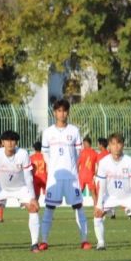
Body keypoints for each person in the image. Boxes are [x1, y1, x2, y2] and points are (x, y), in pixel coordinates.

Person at [40, 99, 90, 251]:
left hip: (71, 177)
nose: (62, 114)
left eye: (65, 110)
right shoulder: (48, 132)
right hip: (55, 177)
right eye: (59, 111)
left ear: (68, 112)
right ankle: (44, 241)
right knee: (49, 208)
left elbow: (79, 152)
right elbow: (45, 152)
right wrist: (53, 167)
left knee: (78, 206)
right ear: (55, 113)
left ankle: (84, 240)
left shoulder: (74, 131)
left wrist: (71, 165)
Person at [0, 130, 41, 253]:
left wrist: (33, 197)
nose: (10, 143)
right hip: (2, 188)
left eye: (13, 140)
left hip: (21, 188)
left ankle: (34, 244)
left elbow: (28, 177)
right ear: (2, 142)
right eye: (7, 140)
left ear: (16, 142)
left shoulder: (23, 154)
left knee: (33, 208)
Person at [93, 133, 131, 250]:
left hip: (127, 196)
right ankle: (101, 243)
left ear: (123, 145)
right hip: (110, 197)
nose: (116, 147)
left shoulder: (130, 161)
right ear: (109, 146)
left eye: (119, 143)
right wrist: (99, 203)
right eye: (113, 144)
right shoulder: (103, 162)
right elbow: (101, 185)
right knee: (97, 213)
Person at [78, 136, 98, 202]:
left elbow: (77, 164)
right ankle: (96, 208)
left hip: (82, 176)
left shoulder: (81, 153)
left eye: (84, 143)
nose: (83, 145)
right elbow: (98, 164)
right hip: (90, 176)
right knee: (93, 194)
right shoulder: (95, 153)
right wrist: (96, 172)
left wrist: (77, 173)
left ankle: (78, 209)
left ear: (88, 143)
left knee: (79, 193)